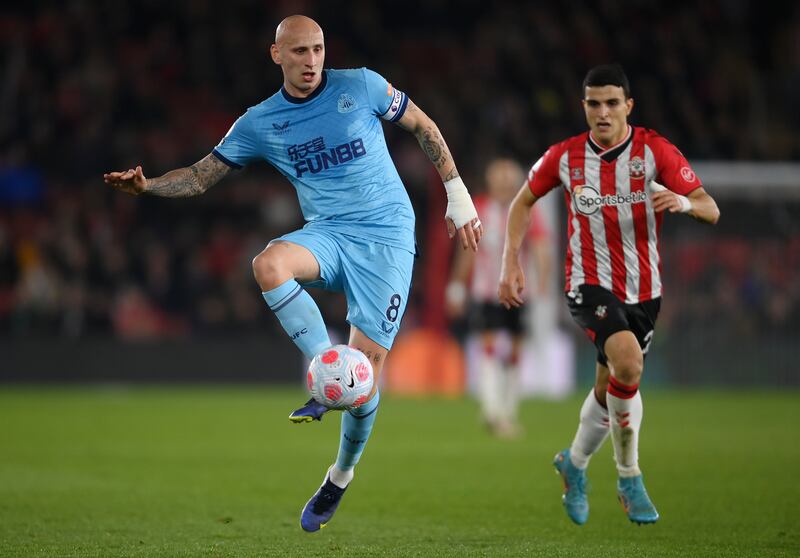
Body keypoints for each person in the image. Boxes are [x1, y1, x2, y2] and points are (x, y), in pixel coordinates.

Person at [103, 15, 482, 532]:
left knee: (364, 384)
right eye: (300, 51)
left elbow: (423, 126)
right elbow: (198, 178)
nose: (311, 62)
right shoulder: (260, 121)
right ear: (276, 55)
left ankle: (339, 476)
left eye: (318, 49)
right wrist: (147, 188)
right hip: (327, 232)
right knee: (268, 263)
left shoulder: (362, 85)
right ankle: (322, 363)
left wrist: (457, 195)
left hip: (387, 239)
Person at [498, 64, 719, 525]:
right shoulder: (564, 157)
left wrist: (680, 202)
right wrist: (510, 263)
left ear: (628, 106)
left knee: (608, 389)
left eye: (612, 103)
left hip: (644, 291)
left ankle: (574, 465)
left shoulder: (655, 150)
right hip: (587, 283)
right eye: (594, 103)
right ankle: (629, 476)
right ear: (584, 107)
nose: (602, 112)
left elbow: (709, 208)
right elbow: (522, 201)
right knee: (628, 362)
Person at [446, 158, 551, 438]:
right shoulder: (479, 208)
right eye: (499, 179)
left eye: (508, 180)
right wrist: (457, 286)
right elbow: (467, 250)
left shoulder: (526, 210)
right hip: (486, 292)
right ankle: (492, 410)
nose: (504, 185)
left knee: (515, 351)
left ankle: (508, 410)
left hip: (518, 293)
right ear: (491, 182)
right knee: (490, 347)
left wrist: (541, 282)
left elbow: (541, 246)